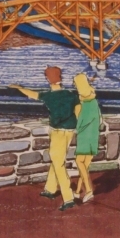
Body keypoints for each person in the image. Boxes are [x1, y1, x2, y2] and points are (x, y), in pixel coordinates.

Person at [12, 65, 81, 209]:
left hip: (57, 132)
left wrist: (19, 87)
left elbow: (32, 94)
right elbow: (78, 112)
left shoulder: (48, 96)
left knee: (58, 163)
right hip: (70, 130)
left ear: (48, 79)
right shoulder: (71, 95)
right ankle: (50, 189)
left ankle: (68, 198)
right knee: (57, 159)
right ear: (60, 78)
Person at [72, 73, 102, 203]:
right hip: (93, 135)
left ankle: (89, 191)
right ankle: (78, 191)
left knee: (79, 162)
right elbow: (99, 119)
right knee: (85, 165)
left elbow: (79, 122)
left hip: (84, 136)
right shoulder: (94, 101)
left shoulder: (80, 104)